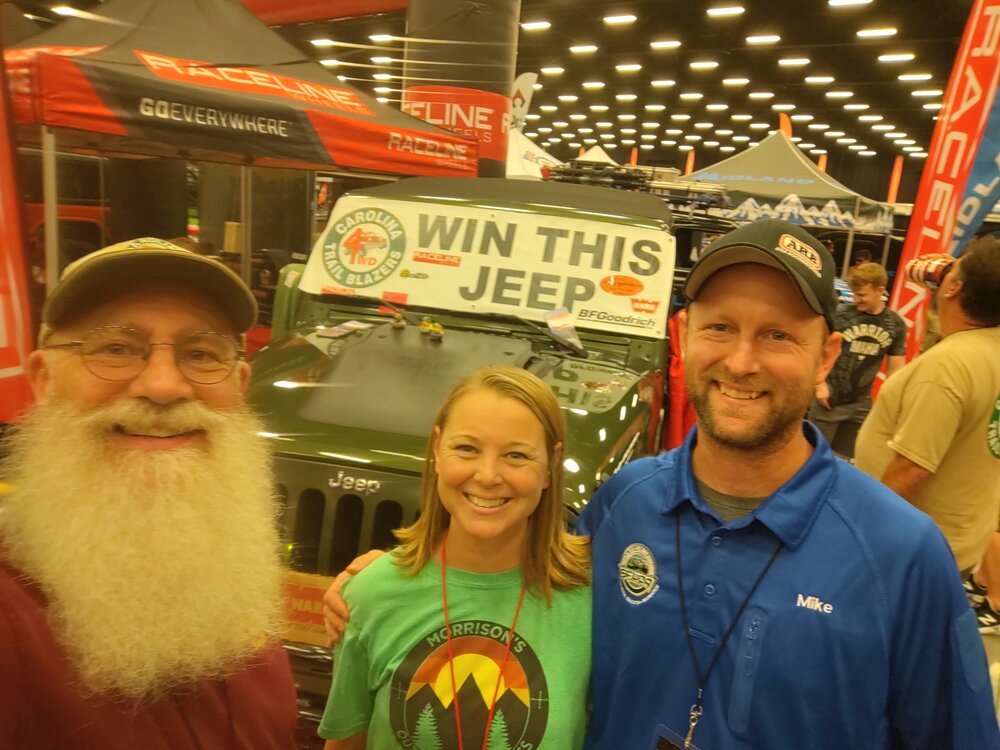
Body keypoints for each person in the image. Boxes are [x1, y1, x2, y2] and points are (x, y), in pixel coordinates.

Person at [325, 219, 999, 749]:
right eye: (720, 328)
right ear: (683, 335)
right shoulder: (623, 503)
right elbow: (513, 585)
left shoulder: (901, 554)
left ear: (826, 355)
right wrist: (392, 579)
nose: (741, 361)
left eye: (777, 336)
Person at [0, 238, 297, 749]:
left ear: (240, 386)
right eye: (116, 348)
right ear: (44, 380)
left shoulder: (234, 575)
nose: (163, 386)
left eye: (201, 354)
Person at [319, 366, 591, 750]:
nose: (488, 475)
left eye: (516, 455)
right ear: (436, 448)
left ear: (551, 465)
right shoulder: (372, 593)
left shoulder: (592, 601)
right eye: (467, 449)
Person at [856, 237, 1000, 583]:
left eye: (953, 268)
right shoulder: (988, 349)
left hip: (907, 554)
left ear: (953, 288)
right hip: (954, 544)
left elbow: (911, 469)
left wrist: (860, 536)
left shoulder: (949, 365)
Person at [808, 261, 906, 459]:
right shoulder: (840, 315)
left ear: (880, 290)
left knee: (845, 460)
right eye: (854, 294)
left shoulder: (895, 324)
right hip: (829, 399)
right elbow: (813, 349)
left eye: (861, 295)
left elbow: (896, 370)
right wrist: (819, 385)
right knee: (813, 458)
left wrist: (890, 405)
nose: (856, 299)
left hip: (860, 405)